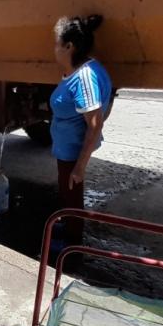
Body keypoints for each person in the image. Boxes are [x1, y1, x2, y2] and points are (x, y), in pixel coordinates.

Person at [49, 14, 113, 247]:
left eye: (57, 43)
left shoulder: (84, 78)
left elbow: (95, 124)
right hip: (66, 149)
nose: (54, 48)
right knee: (68, 197)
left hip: (73, 153)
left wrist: (80, 167)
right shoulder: (75, 71)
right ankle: (67, 231)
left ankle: (73, 250)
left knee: (73, 200)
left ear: (69, 46)